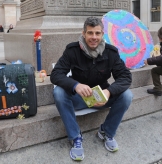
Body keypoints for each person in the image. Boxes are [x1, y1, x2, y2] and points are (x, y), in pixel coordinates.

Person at [50, 17, 133, 161]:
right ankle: (75, 137)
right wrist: (75, 85)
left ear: (102, 34)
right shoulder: (72, 50)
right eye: (90, 33)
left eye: (97, 33)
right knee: (58, 92)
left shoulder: (111, 53)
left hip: (102, 98)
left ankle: (106, 132)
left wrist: (109, 92)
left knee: (127, 95)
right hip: (79, 98)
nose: (94, 37)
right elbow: (56, 74)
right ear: (84, 33)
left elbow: (126, 77)